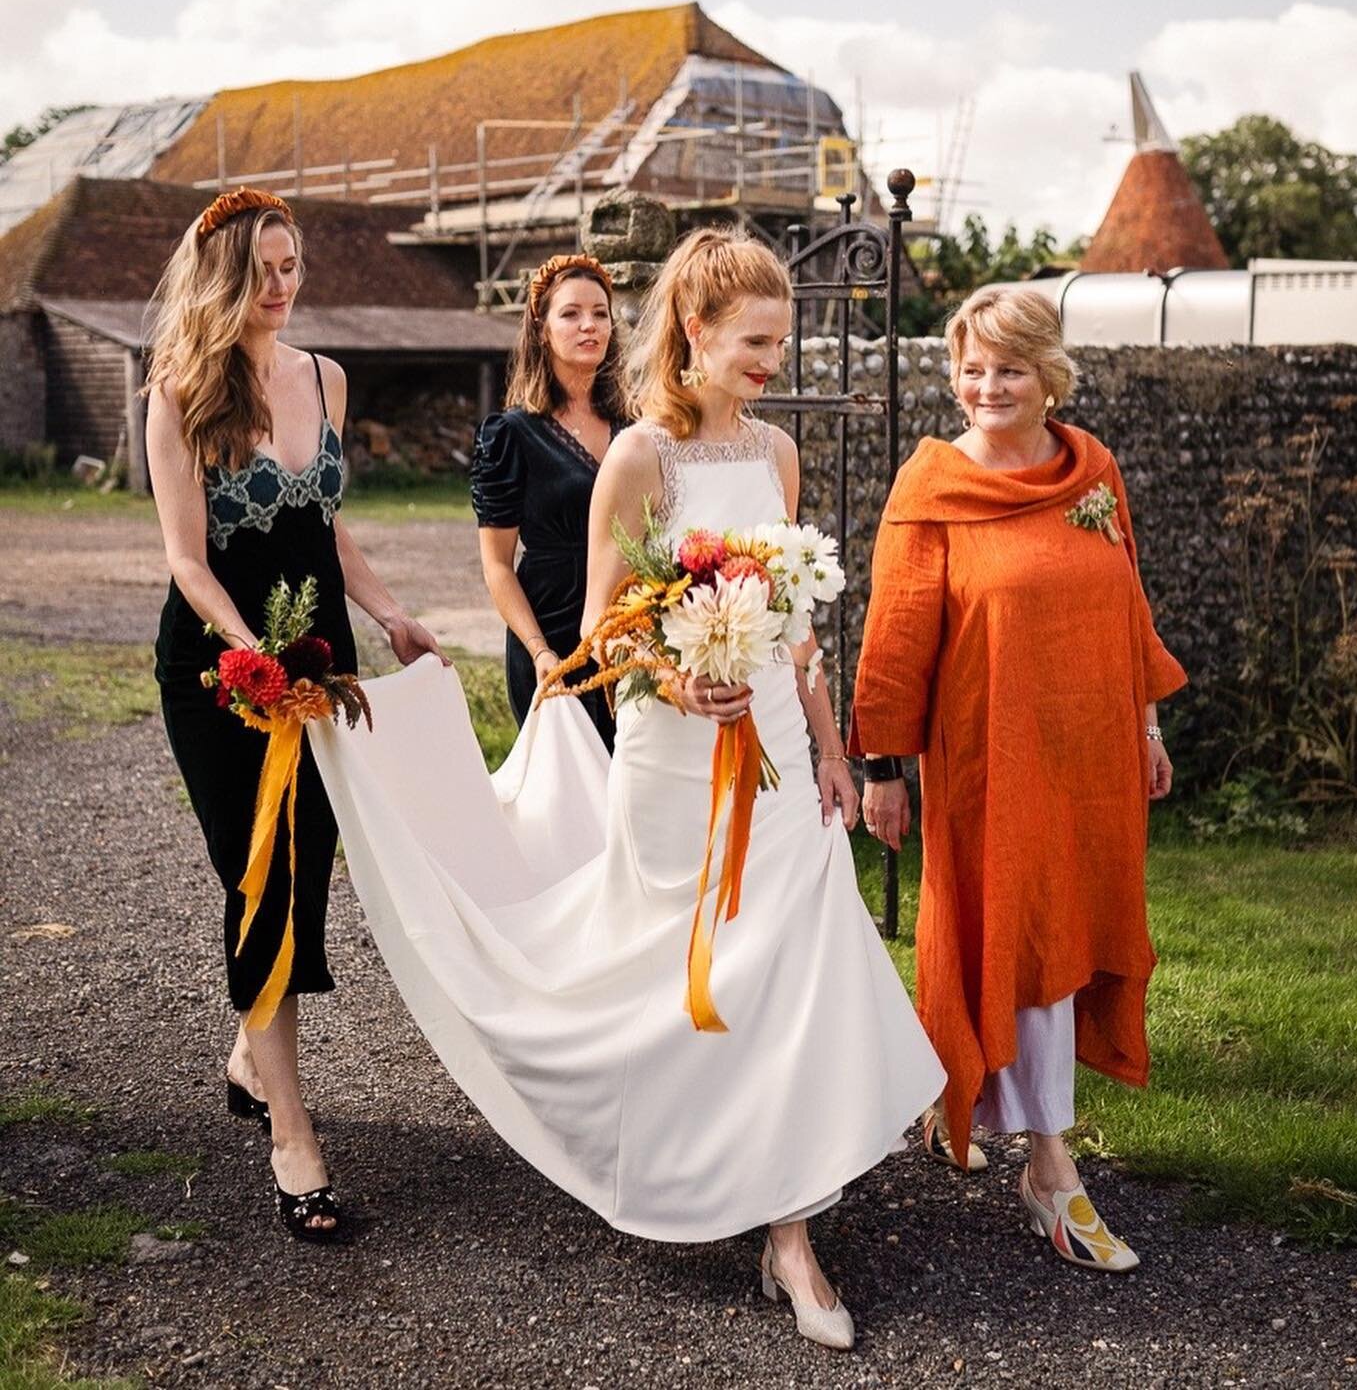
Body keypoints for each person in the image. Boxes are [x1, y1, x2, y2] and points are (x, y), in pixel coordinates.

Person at [307, 226, 944, 1350]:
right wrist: (676, 673)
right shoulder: (640, 458)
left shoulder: (779, 455)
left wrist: (834, 750)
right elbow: (602, 630)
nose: (771, 363)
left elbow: (797, 635)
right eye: (754, 341)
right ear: (694, 332)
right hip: (671, 753)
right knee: (692, 979)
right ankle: (694, 1155)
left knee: (794, 968)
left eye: (781, 343)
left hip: (782, 763)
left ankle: (789, 1232)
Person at [848, 284, 1186, 1274]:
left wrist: (1148, 720)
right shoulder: (933, 486)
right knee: (1019, 940)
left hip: (1091, 760)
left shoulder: (1091, 471)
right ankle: (1051, 1169)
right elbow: (896, 634)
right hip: (988, 766)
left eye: (1008, 368)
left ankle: (968, 1103)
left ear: (1049, 377)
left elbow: (1128, 603)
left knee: (1069, 937)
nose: (986, 386)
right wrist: (883, 766)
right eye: (972, 368)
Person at [147, 187, 444, 1242]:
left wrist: (395, 615)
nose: (284, 286)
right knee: (257, 877)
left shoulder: (325, 375)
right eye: (265, 270)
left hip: (323, 659)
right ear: (225, 276)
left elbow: (325, 530)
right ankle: (292, 1136)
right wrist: (247, 653)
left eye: (293, 266)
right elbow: (187, 559)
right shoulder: (181, 389)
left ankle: (245, 1051)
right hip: (224, 671)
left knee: (309, 864)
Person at [472, 253, 629, 747]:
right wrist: (539, 651)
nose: (589, 326)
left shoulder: (639, 427)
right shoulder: (512, 435)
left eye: (600, 313)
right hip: (550, 637)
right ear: (542, 329)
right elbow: (497, 564)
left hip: (629, 631)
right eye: (571, 313)